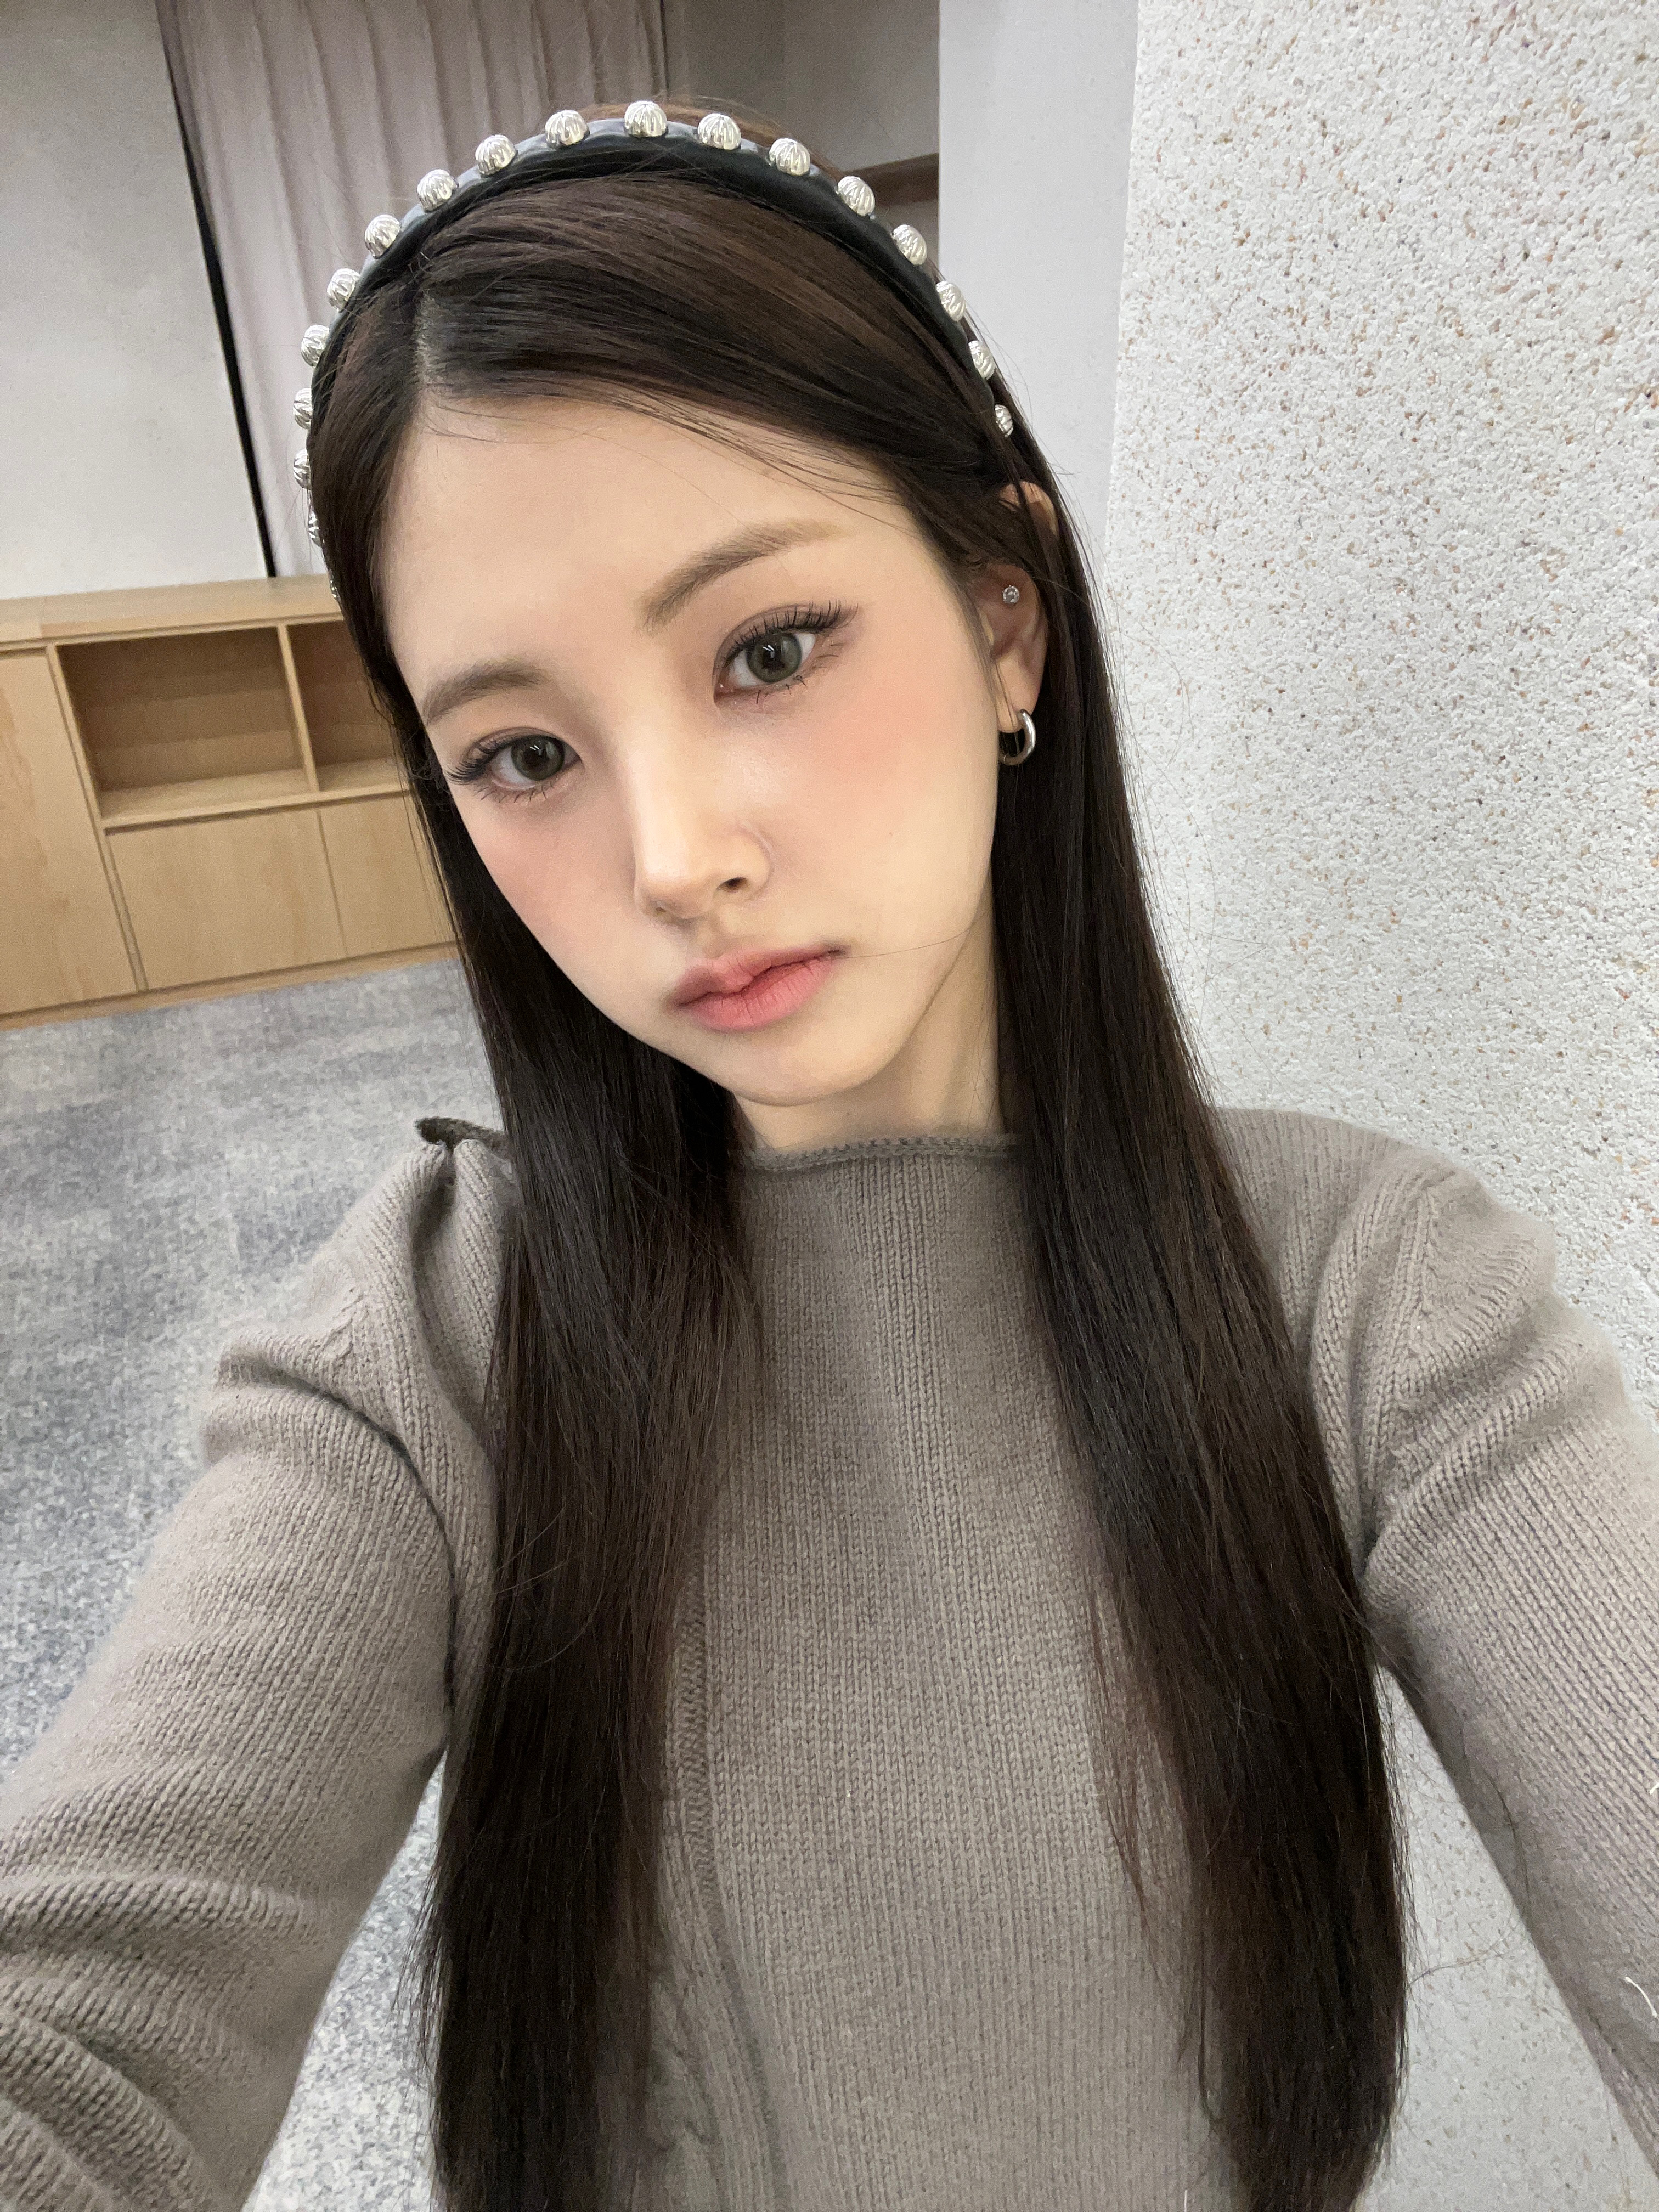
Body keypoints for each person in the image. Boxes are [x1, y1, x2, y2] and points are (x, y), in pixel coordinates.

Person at [1, 94, 1655, 2212]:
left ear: (1003, 621)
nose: (675, 857)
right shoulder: (445, 1338)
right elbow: (90, 2008)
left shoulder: (1369, 1301)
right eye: (524, 752)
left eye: (768, 651)